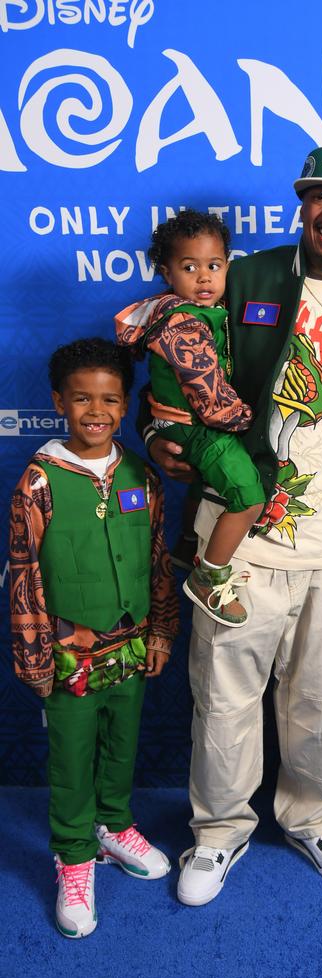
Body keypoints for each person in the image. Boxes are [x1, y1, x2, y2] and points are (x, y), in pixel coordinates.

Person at [144, 144, 322, 905]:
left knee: (321, 698)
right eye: (320, 195)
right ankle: (218, 831)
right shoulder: (245, 276)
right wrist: (160, 435)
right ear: (301, 202)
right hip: (238, 536)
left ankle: (313, 818)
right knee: (224, 696)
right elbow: (177, 352)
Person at [9, 338, 179, 938]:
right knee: (72, 759)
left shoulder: (140, 473)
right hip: (68, 658)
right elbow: (25, 572)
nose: (97, 412)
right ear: (59, 402)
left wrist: (160, 629)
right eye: (82, 399)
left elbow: (158, 557)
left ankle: (114, 826)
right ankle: (75, 857)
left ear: (126, 404)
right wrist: (33, 653)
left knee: (121, 745)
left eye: (110, 399)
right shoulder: (40, 482)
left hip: (130, 651)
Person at [115, 209, 265, 627]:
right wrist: (247, 420)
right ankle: (209, 574)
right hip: (194, 424)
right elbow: (209, 395)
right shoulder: (183, 322)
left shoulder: (198, 314)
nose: (204, 278)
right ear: (167, 272)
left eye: (213, 266)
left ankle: (187, 544)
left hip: (186, 421)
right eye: (189, 267)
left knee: (214, 486)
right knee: (248, 496)